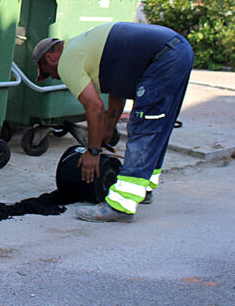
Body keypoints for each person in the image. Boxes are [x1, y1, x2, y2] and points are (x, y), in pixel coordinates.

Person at [33, 22, 194, 222]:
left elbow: (95, 107)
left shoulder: (67, 60)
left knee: (144, 127)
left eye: (48, 72)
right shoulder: (88, 48)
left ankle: (121, 205)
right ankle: (142, 189)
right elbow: (119, 91)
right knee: (158, 126)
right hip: (177, 51)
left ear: (50, 58)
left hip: (163, 57)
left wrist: (93, 151)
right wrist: (108, 128)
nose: (54, 78)